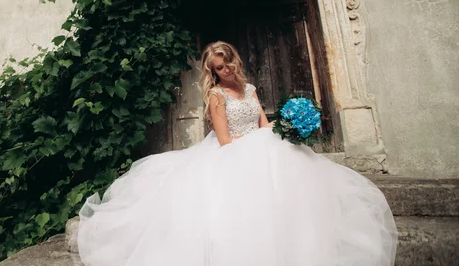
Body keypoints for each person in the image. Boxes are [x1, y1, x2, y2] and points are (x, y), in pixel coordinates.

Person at [78, 41, 398, 266]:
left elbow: (263, 123)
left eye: (228, 63)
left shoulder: (251, 89)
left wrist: (286, 131)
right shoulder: (216, 96)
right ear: (213, 72)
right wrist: (257, 148)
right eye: (219, 68)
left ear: (235, 60)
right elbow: (225, 139)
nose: (226, 70)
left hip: (260, 142)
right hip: (231, 152)